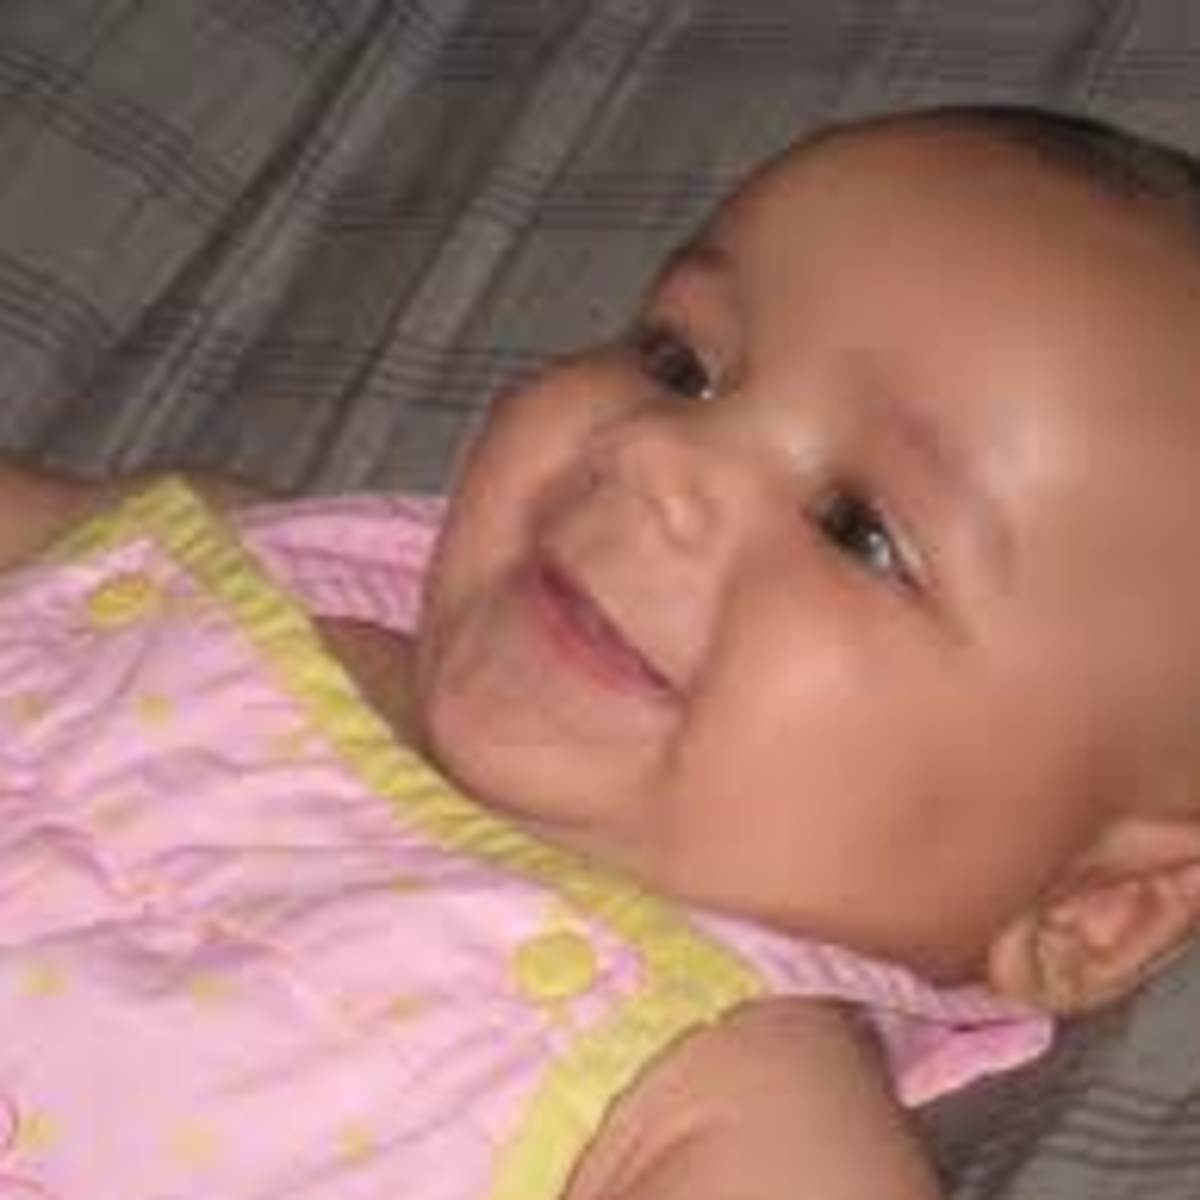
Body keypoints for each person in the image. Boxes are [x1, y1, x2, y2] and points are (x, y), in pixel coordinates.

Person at [2, 103, 1200, 1199]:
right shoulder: (251, 566)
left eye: (859, 531)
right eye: (682, 366)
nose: (657, 454)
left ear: (1092, 909)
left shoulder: (725, 1100)